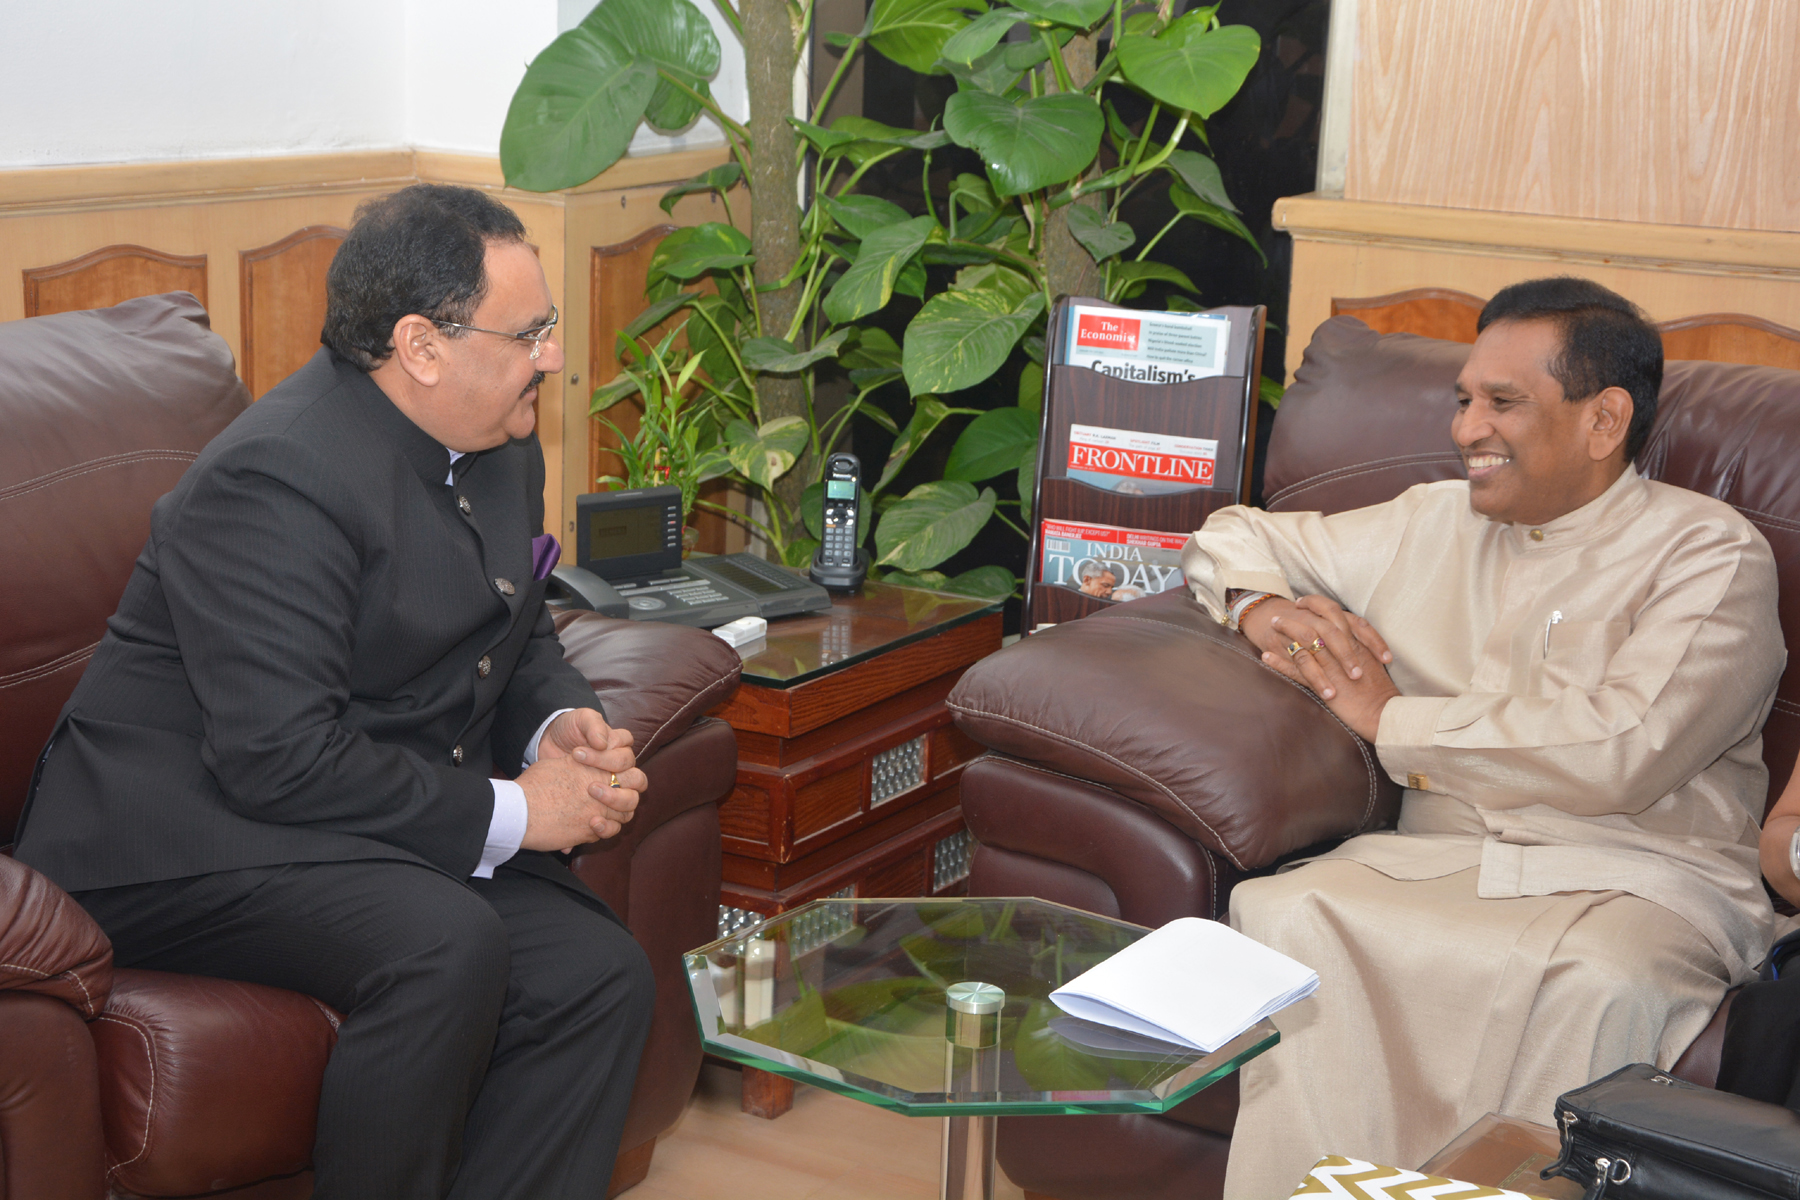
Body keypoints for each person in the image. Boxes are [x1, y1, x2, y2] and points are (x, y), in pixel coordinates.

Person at [15, 184, 654, 1200]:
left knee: (598, 977)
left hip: (343, 802)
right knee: (442, 946)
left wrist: (559, 721)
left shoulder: (500, 440)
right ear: (422, 345)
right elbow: (276, 755)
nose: (551, 356)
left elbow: (517, 625)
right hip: (178, 828)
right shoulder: (276, 477)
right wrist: (521, 810)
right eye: (529, 332)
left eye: (550, 328)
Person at [1182, 277, 1783, 1197]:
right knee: (1283, 913)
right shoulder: (1429, 521)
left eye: (1503, 403)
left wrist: (1394, 721)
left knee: (1596, 978)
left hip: (1636, 875)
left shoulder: (1709, 553)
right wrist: (1262, 606)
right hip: (1439, 861)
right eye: (1464, 400)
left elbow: (1622, 749)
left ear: (1604, 419)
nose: (1466, 430)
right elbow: (1233, 533)